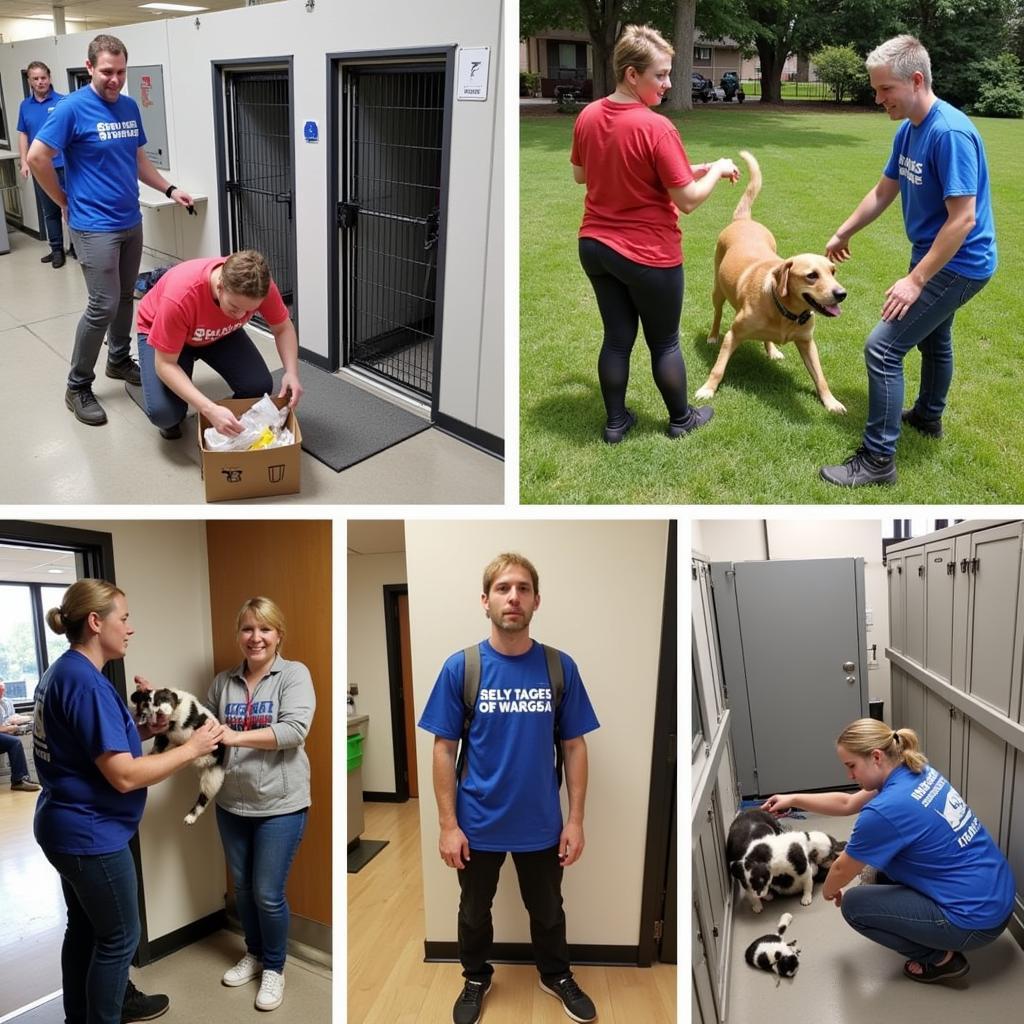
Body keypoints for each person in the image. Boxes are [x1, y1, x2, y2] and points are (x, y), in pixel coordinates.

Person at [418, 554, 601, 1024]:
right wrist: (447, 826)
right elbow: (443, 749)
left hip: (541, 823)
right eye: (502, 588)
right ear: (485, 601)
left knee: (548, 910)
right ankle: (476, 977)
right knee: (473, 911)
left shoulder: (560, 667)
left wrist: (576, 821)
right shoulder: (463, 668)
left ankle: (555, 974)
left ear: (536, 600)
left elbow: (575, 746)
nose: (513, 597)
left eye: (522, 588)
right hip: (476, 823)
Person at [33, 579, 224, 1023]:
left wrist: (145, 733)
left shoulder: (62, 672)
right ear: (97, 622)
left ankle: (79, 1016)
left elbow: (89, 746)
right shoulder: (89, 685)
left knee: (83, 929)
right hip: (90, 835)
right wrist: (191, 749)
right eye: (125, 618)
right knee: (119, 938)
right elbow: (122, 776)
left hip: (61, 825)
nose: (130, 628)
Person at [820, 35, 996, 487]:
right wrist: (844, 230)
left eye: (885, 90)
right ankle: (927, 417)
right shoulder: (909, 130)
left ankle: (878, 460)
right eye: (876, 90)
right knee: (934, 340)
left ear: (916, 80)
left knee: (883, 347)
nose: (878, 99)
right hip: (936, 254)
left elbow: (963, 219)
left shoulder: (950, 133)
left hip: (960, 262)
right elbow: (884, 190)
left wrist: (916, 280)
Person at [570, 24, 739, 444]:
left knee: (617, 338)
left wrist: (689, 167)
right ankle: (681, 420)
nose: (666, 83)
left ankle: (615, 423)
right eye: (659, 75)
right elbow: (687, 200)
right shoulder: (655, 126)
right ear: (632, 74)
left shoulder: (589, 115)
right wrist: (716, 170)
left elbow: (582, 174)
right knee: (664, 342)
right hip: (647, 253)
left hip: (595, 246)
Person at [762, 718, 1014, 983]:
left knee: (854, 905)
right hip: (998, 896)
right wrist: (793, 799)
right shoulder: (916, 770)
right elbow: (847, 802)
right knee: (874, 873)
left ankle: (940, 960)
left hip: (975, 922)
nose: (850, 776)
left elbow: (840, 869)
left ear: (876, 756)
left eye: (852, 766)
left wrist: (827, 890)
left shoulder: (885, 810)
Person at [27, 34, 195, 428]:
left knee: (124, 297)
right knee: (101, 305)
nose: (115, 79)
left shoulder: (129, 107)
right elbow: (37, 157)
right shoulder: (72, 108)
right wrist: (64, 201)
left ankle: (118, 360)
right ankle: (77, 385)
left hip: (128, 220)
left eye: (121, 71)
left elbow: (137, 161)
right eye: (107, 71)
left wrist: (170, 188)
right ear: (89, 68)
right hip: (93, 226)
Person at [205, 597, 316, 1013]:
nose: (256, 637)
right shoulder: (223, 682)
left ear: (278, 635)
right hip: (232, 803)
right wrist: (162, 709)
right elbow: (204, 729)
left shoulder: (294, 675)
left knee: (268, 893)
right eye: (248, 629)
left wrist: (233, 736)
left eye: (264, 629)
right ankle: (253, 953)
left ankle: (274, 967)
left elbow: (293, 730)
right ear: (239, 635)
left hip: (281, 805)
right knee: (246, 890)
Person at [135, 250, 304, 440]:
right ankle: (163, 397)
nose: (241, 316)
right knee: (166, 415)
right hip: (162, 333)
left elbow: (282, 328)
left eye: (249, 311)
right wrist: (209, 409)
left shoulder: (260, 287)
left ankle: (228, 417)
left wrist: (291, 372)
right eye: (234, 307)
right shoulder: (181, 296)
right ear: (220, 286)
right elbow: (165, 364)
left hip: (217, 331)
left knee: (258, 385)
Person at [16, 61, 71, 268]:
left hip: (64, 164)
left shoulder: (63, 102)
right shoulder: (25, 106)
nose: (40, 82)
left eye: (43, 77)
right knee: (50, 211)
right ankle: (57, 250)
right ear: (29, 81)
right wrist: (24, 161)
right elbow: (23, 134)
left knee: (72, 206)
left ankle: (76, 247)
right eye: (35, 78)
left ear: (50, 78)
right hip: (40, 167)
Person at [0, 678, 41, 791]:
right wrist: (10, 727)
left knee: (19, 738)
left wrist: (27, 719)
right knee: (15, 742)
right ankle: (18, 780)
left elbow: (12, 717)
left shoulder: (7, 702)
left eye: (3, 689)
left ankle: (24, 777)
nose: (1, 691)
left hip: (6, 731)